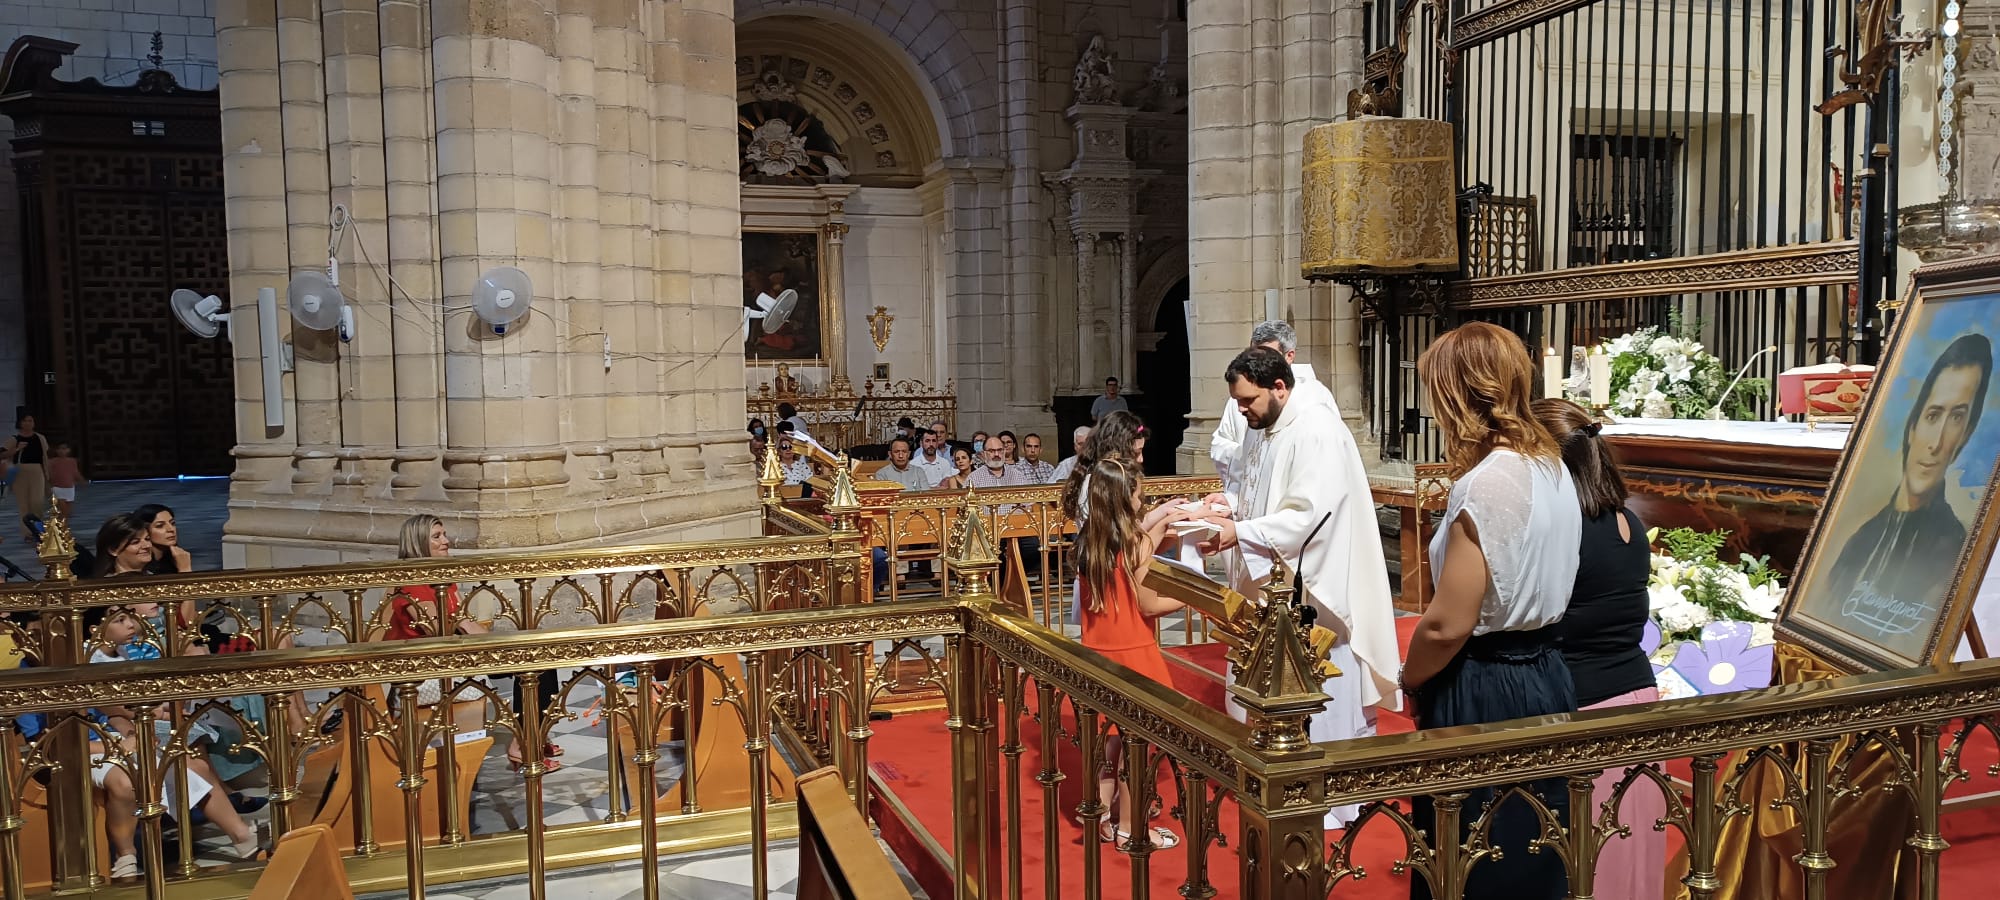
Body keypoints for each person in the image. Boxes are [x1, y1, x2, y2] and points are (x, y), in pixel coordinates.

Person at [1399, 322, 1581, 900]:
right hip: (1547, 674)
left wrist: (1411, 676)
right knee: (1540, 841)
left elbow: (1449, 621)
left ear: (1458, 392)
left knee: (1477, 850)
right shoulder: (1550, 465)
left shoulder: (1489, 482)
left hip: (1485, 683)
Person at [1192, 347, 1399, 829]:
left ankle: (1331, 799)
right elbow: (1270, 493)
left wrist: (1240, 532)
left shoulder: (1316, 430)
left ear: (1279, 387)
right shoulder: (1271, 426)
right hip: (1287, 590)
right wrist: (1229, 504)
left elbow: (1310, 516)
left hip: (1318, 596)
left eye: (1247, 401)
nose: (1241, 411)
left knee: (1325, 684)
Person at [1535, 397, 1662, 900]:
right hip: (1636, 695)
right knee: (1632, 859)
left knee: (1588, 863)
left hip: (1584, 704)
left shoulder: (1566, 529)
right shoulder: (1626, 519)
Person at [1819, 333, 1993, 623]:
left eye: (1957, 418)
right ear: (1912, 425)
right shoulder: (1860, 537)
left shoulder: (1950, 549)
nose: (1936, 443)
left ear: (1966, 434)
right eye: (1933, 415)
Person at [389, 515, 561, 773]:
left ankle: (535, 733)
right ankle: (523, 744)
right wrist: (494, 646)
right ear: (417, 543)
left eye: (444, 534)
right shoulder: (413, 584)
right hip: (425, 671)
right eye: (437, 537)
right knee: (532, 667)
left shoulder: (441, 578)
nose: (446, 541)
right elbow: (437, 629)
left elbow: (465, 623)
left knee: (540, 657)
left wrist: (503, 645)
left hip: (454, 654)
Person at [1074, 456, 1185, 850]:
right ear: (1126, 498)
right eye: (1140, 496)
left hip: (1097, 651)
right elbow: (1150, 605)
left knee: (1111, 743)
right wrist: (1192, 598)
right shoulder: (1134, 543)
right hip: (1134, 654)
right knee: (1138, 750)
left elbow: (1140, 542)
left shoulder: (1089, 538)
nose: (1142, 502)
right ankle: (1130, 829)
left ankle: (1102, 817)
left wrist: (1166, 521)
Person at [1209, 321, 1339, 497]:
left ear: (1289, 356)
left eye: (1267, 355)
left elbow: (1312, 503)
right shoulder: (1244, 400)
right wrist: (1232, 501)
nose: (1241, 408)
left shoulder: (1315, 405)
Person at [4, 414, 49, 538]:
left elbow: (44, 457)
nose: (28, 423)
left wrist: (48, 474)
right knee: (24, 504)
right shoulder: (14, 438)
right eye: (25, 421)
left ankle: (39, 531)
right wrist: (17, 449)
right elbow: (2, 454)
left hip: (37, 470)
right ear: (20, 423)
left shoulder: (40, 438)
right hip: (20, 471)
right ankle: (28, 533)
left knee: (37, 503)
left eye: (30, 420)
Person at [45, 441, 81, 519]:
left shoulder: (72, 461)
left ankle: (64, 528)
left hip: (69, 488)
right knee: (62, 509)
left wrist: (81, 480)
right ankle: (59, 527)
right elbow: (49, 474)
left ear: (69, 450)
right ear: (56, 450)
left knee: (67, 512)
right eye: (59, 449)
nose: (61, 451)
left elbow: (75, 472)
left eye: (64, 449)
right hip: (57, 488)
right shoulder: (52, 462)